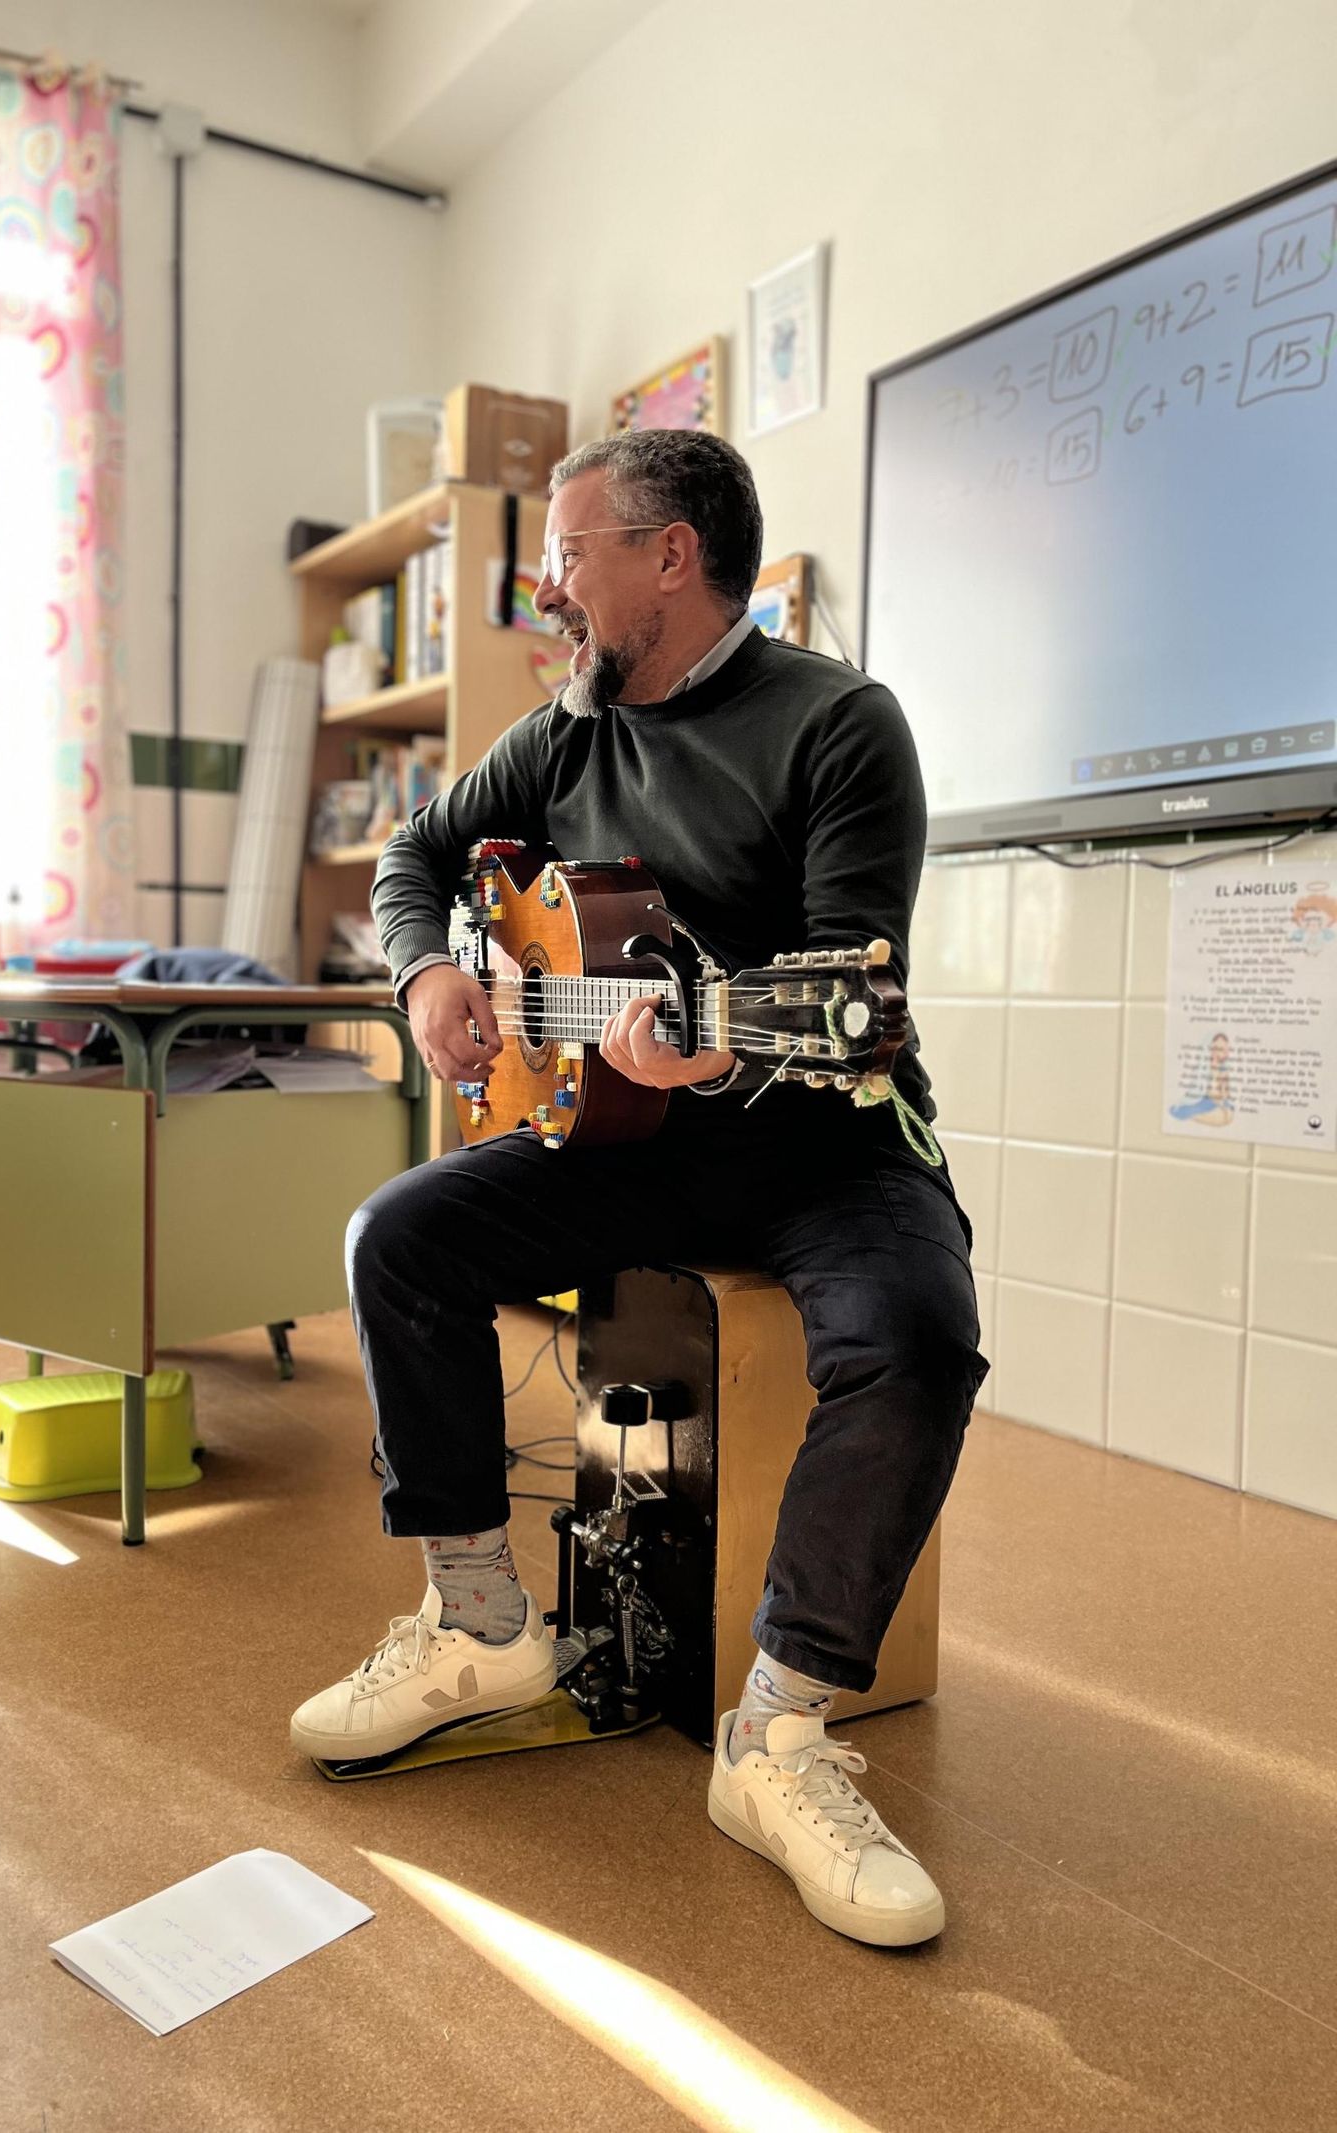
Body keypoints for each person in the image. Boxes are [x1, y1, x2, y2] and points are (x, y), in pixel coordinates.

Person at [289, 428, 988, 1950]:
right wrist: (426, 973)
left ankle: (781, 1738)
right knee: (398, 1239)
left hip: (825, 1139)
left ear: (671, 557)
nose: (551, 580)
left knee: (918, 1333)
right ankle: (482, 1623)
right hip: (623, 1136)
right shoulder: (565, 729)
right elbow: (417, 849)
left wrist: (716, 1055)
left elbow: (846, 987)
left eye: (573, 548)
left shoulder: (842, 727)